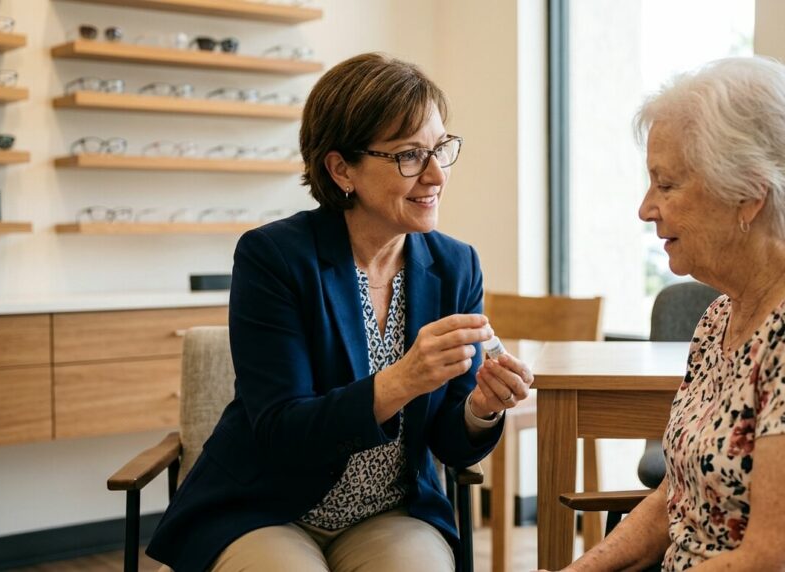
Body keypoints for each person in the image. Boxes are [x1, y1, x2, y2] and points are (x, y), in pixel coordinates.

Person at [545, 57, 785, 571]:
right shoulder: (723, 316)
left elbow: (780, 561)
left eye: (666, 184)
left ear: (749, 194)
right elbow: (680, 497)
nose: (646, 208)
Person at [146, 52, 534, 572]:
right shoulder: (274, 258)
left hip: (391, 513)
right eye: (410, 155)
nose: (437, 174)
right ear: (341, 168)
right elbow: (282, 431)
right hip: (267, 508)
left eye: (440, 148)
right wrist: (402, 380)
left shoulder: (456, 265)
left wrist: (481, 408)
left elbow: (450, 442)